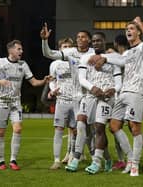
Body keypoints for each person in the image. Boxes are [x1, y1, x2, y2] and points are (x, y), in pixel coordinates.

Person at [90, 16, 143, 176]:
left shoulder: (142, 48)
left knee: (134, 128)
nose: (128, 31)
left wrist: (140, 23)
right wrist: (104, 57)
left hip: (136, 92)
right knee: (113, 127)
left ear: (138, 32)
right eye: (127, 29)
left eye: (132, 29)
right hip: (124, 92)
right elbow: (119, 59)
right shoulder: (127, 53)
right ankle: (131, 158)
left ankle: (135, 166)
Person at [0, 40, 51, 170]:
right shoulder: (0, 62)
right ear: (11, 50)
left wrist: (44, 81)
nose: (21, 51)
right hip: (1, 101)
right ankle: (1, 161)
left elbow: (33, 82)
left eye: (21, 49)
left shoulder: (23, 65)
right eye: (19, 49)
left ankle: (13, 161)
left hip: (16, 102)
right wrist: (1, 81)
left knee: (18, 129)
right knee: (1, 132)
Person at [68, 32, 122, 174]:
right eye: (94, 41)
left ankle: (97, 162)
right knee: (81, 125)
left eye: (99, 40)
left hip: (106, 97)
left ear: (104, 41)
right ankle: (76, 158)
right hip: (90, 96)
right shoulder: (86, 58)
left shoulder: (113, 59)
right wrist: (92, 88)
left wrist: (114, 89)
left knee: (99, 128)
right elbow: (81, 78)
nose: (96, 43)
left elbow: (118, 82)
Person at [40, 24, 95, 162]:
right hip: (71, 98)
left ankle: (93, 156)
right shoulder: (71, 53)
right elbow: (49, 54)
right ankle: (69, 158)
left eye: (83, 37)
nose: (80, 39)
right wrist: (44, 41)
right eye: (78, 37)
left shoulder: (94, 53)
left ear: (89, 40)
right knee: (75, 129)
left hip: (87, 96)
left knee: (90, 130)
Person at [109, 34, 143, 170]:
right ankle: (123, 159)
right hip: (120, 93)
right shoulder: (121, 56)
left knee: (132, 126)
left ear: (116, 43)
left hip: (130, 92)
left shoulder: (135, 54)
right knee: (115, 127)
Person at [47, 37, 76, 170]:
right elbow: (52, 81)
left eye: (69, 47)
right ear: (60, 49)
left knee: (74, 130)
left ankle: (71, 156)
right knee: (59, 129)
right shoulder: (55, 64)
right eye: (64, 47)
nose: (67, 49)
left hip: (75, 101)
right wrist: (53, 90)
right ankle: (57, 160)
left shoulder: (76, 61)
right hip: (62, 100)